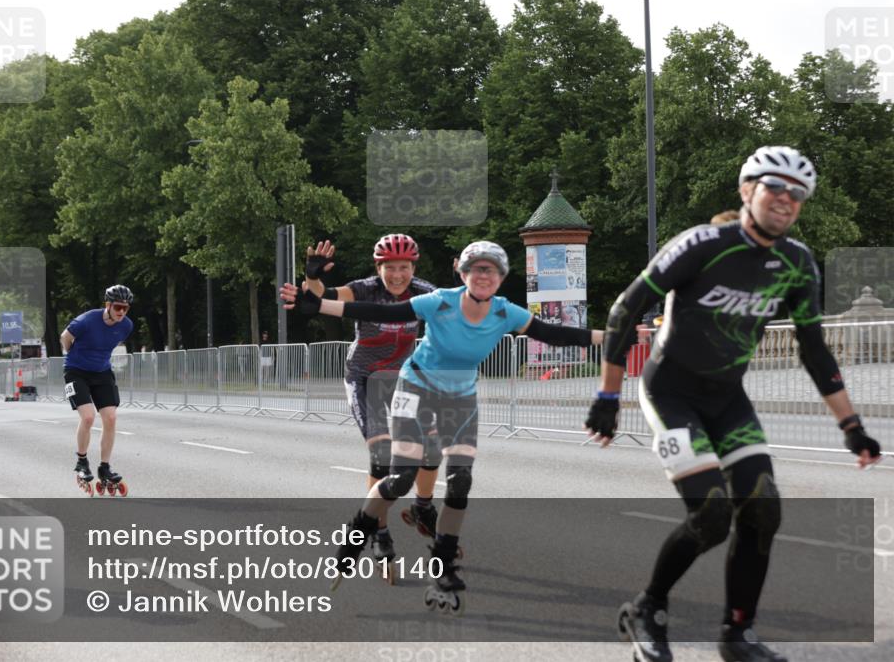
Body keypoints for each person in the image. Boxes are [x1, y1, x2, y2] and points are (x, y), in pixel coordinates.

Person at [584, 146, 883, 662]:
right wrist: (607, 395)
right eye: (775, 188)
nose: (786, 201)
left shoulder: (797, 263)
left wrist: (852, 426)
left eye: (798, 195)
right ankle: (646, 609)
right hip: (671, 391)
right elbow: (625, 308)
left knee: (763, 508)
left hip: (726, 398)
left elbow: (814, 350)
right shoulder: (704, 243)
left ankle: (737, 634)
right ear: (747, 190)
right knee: (713, 514)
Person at [283, 240, 603, 610]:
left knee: (457, 478)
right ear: (461, 273)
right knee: (390, 468)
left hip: (457, 395)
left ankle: (438, 549)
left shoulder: (499, 310)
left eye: (492, 271)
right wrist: (314, 293)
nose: (398, 274)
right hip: (390, 381)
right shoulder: (429, 298)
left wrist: (614, 338)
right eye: (391, 266)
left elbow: (556, 333)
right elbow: (368, 308)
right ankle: (365, 535)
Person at [302, 234, 438, 568]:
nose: (397, 275)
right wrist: (313, 276)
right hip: (364, 380)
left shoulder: (424, 292)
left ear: (413, 267)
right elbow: (321, 297)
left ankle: (423, 506)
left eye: (404, 267)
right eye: (389, 267)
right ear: (378, 268)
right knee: (382, 460)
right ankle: (379, 530)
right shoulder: (364, 289)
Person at [61, 284, 135, 496]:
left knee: (110, 418)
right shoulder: (87, 320)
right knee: (88, 418)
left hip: (102, 372)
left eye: (126, 308)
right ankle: (82, 461)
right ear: (108, 305)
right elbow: (64, 337)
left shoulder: (126, 326)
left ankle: (105, 467)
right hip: (75, 371)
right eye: (118, 307)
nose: (122, 312)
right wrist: (74, 355)